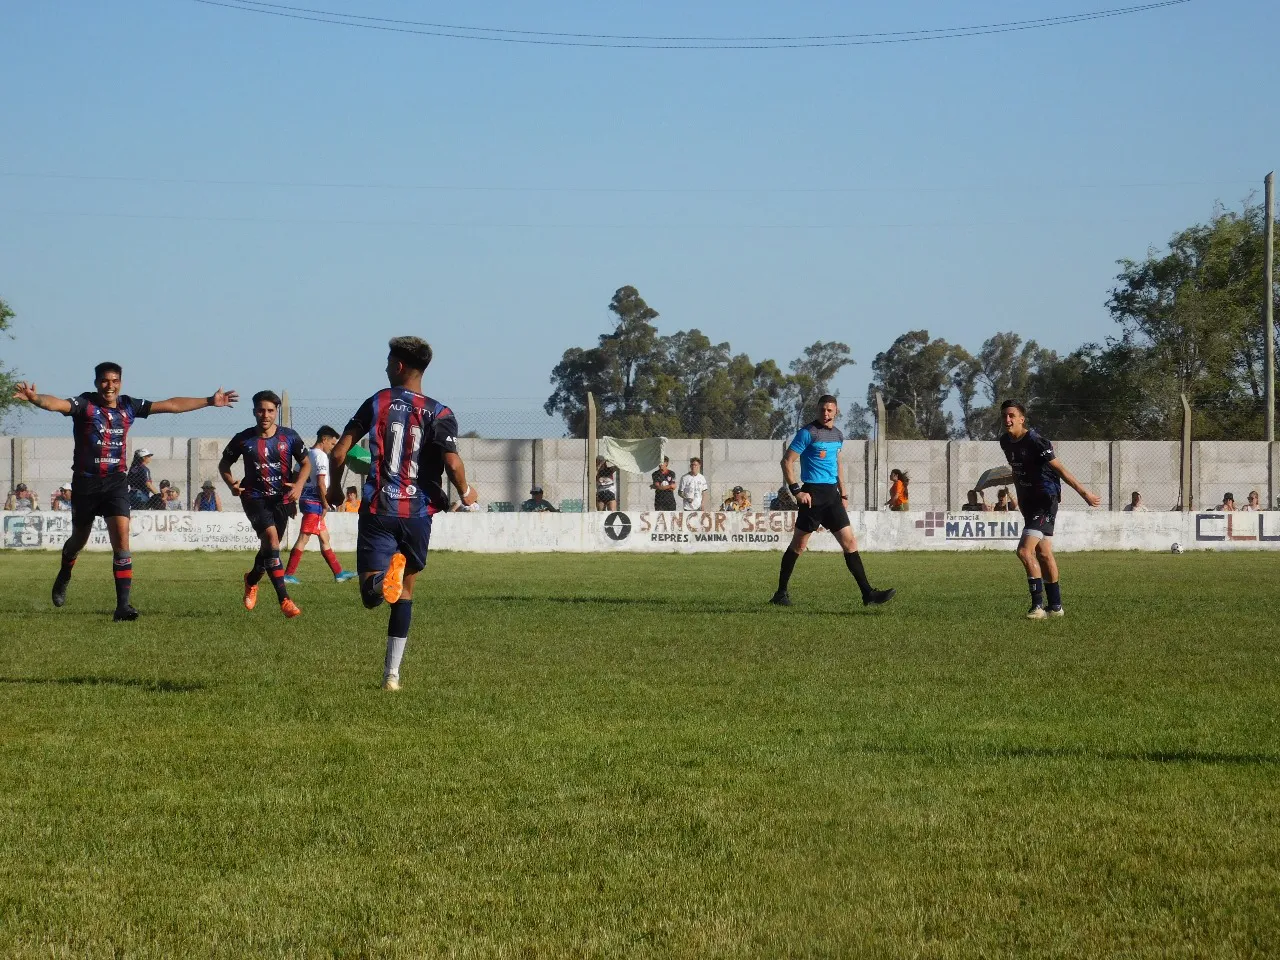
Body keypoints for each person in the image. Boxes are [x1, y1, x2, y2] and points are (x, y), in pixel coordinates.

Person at [12, 363, 237, 621]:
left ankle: (122, 607)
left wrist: (209, 401)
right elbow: (57, 404)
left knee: (121, 538)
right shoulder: (85, 404)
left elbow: (171, 405)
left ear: (120, 383)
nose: (110, 386)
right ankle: (65, 571)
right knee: (78, 540)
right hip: (85, 483)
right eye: (104, 381)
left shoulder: (129, 405)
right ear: (96, 383)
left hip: (115, 482)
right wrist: (36, 399)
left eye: (115, 381)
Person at [328, 336, 478, 692]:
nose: (384, 367)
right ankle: (391, 676)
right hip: (418, 513)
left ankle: (383, 578)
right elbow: (453, 463)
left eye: (387, 361)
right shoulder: (441, 412)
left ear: (398, 366)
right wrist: (466, 492)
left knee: (372, 596)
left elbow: (338, 452)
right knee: (405, 592)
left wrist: (334, 488)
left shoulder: (378, 401)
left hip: (379, 508)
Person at [771, 395, 895, 608]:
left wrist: (843, 494)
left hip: (832, 497)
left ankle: (868, 593)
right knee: (799, 545)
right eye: (822, 410)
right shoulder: (807, 432)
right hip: (812, 496)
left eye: (829, 410)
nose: (825, 414)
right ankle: (781, 593)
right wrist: (797, 492)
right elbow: (787, 461)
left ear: (836, 411)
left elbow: (837, 464)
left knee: (850, 543)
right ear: (817, 411)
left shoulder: (838, 435)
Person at [999, 400, 1101, 620]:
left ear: (1021, 419)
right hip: (1029, 502)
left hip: (1046, 499)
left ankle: (1037, 607)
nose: (1007, 420)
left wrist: (1085, 494)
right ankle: (1055, 608)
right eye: (1004, 416)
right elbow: (1017, 472)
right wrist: (1021, 500)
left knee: (1024, 551)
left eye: (1011, 415)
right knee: (1044, 553)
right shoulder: (1005, 442)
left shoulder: (1036, 441)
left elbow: (1060, 469)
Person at [218, 390, 310, 619]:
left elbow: (306, 463)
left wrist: (299, 486)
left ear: (276, 412)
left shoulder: (289, 437)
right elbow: (224, 464)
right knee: (272, 540)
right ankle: (284, 600)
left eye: (270, 410)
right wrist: (231, 484)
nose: (265, 415)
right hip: (254, 497)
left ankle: (251, 580)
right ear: (254, 412)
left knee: (269, 549)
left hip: (281, 500)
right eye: (261, 410)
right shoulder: (243, 439)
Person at [283, 426, 357, 585]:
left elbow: (295, 479)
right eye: (332, 444)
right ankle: (288, 575)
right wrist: (325, 504)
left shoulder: (305, 454)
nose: (333, 448)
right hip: (315, 503)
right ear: (324, 439)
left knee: (325, 538)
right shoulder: (321, 456)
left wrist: (292, 501)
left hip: (306, 500)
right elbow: (321, 483)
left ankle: (339, 573)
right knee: (303, 538)